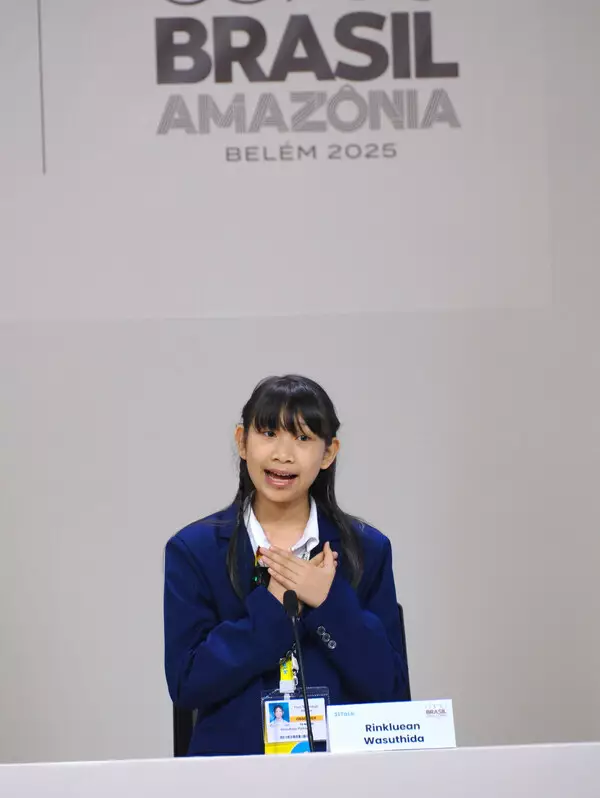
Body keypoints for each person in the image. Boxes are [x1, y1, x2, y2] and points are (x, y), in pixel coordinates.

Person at [164, 375, 409, 757]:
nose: (283, 454)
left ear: (328, 453)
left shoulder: (366, 550)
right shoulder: (194, 551)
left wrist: (328, 603)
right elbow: (188, 684)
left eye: (303, 438)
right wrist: (273, 607)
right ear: (242, 442)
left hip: (343, 774)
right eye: (268, 433)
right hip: (233, 773)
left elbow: (391, 689)